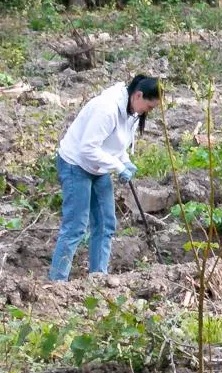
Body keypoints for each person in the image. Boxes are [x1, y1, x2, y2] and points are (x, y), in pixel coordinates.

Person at [49, 75, 162, 282]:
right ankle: (57, 283)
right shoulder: (107, 109)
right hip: (76, 165)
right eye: (149, 106)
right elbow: (87, 148)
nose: (148, 112)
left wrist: (125, 161)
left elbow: (116, 144)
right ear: (138, 95)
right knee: (76, 226)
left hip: (98, 167)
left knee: (106, 223)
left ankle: (98, 279)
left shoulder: (131, 112)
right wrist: (118, 166)